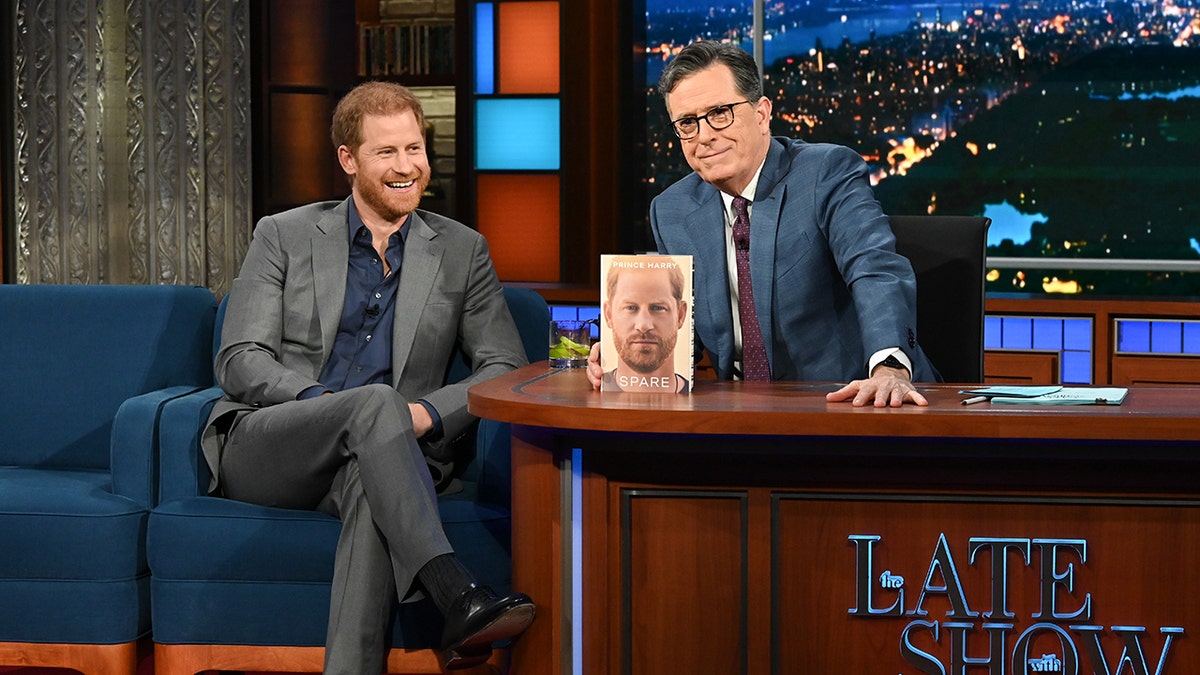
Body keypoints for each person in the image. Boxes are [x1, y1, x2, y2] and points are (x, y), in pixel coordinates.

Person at [202, 81, 535, 673]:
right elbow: (240, 357)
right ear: (348, 160)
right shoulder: (283, 234)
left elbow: (505, 367)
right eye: (387, 153)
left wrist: (425, 415)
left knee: (370, 475)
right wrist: (330, 405)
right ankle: (454, 589)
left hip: (391, 453)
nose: (407, 167)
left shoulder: (462, 250)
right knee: (371, 403)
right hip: (275, 442)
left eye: (415, 149)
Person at [589, 40, 937, 407]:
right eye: (688, 123)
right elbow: (681, 327)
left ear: (761, 114)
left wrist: (888, 368)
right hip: (741, 418)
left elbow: (875, 268)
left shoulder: (825, 173)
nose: (705, 135)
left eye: (720, 113)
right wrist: (623, 357)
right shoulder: (672, 210)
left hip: (849, 402)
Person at [600, 255, 691, 393]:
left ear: (681, 314)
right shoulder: (593, 389)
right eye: (630, 308)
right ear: (608, 314)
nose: (643, 325)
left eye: (658, 308)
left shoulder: (701, 398)